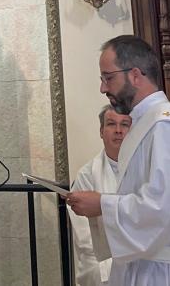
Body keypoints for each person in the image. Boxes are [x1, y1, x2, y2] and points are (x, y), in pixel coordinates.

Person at [64, 36, 170, 286]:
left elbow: (164, 208)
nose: (102, 88)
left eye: (108, 77)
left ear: (134, 75)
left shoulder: (166, 126)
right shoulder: (148, 123)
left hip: (162, 274)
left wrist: (102, 205)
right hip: (144, 268)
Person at [69, 107, 132, 285]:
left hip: (141, 257)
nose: (118, 130)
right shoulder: (87, 175)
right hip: (103, 263)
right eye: (111, 124)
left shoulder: (145, 169)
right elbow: (85, 237)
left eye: (125, 125)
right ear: (101, 132)